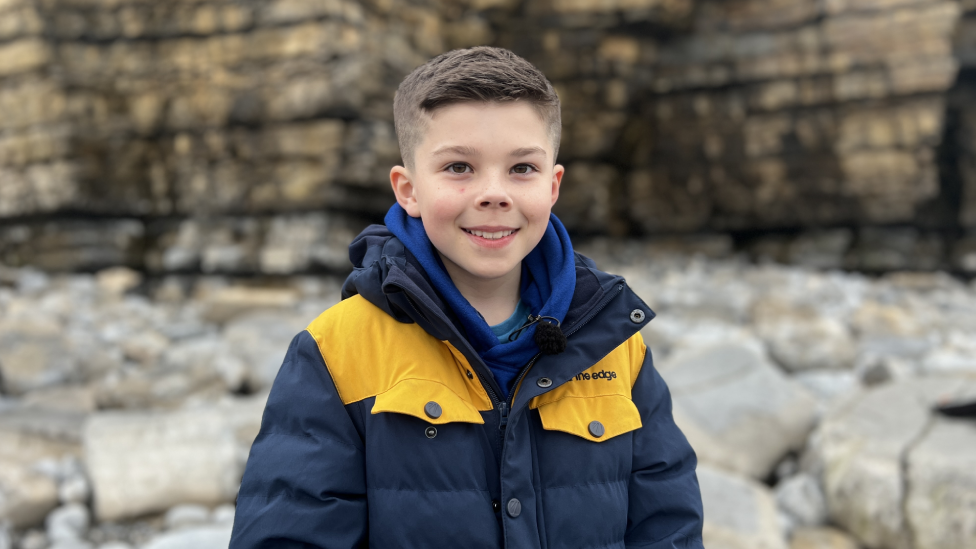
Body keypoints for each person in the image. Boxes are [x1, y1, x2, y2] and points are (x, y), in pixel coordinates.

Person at [230, 46, 704, 548]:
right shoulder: (336, 351)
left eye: (522, 169)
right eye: (459, 167)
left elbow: (667, 527)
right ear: (408, 189)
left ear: (553, 185)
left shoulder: (614, 343)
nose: (493, 193)